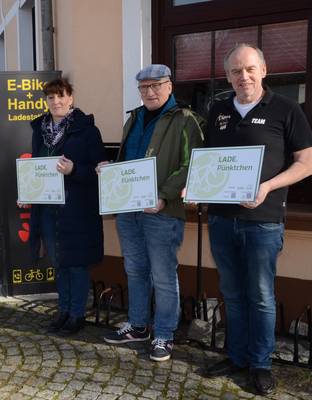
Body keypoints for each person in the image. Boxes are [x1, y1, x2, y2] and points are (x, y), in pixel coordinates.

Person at [204, 44, 312, 395]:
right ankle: (237, 357)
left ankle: (261, 364)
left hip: (263, 221)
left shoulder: (286, 109)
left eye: (249, 69)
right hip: (221, 219)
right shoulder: (218, 110)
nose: (243, 76)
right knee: (232, 293)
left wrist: (267, 187)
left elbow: (306, 163)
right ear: (228, 76)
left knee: (262, 295)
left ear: (264, 70)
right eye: (236, 71)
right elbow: (209, 161)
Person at [101, 64, 203, 361]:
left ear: (170, 86)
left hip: (163, 210)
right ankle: (137, 325)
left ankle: (164, 334)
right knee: (135, 270)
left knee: (162, 275)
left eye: (156, 85)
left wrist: (164, 195)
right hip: (129, 208)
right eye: (144, 87)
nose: (149, 92)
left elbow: (193, 163)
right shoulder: (134, 118)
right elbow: (131, 162)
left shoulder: (185, 119)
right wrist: (111, 171)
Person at [26, 78, 106, 336]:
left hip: (77, 208)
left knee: (77, 263)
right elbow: (36, 169)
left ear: (71, 98)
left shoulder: (87, 131)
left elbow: (99, 172)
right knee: (59, 262)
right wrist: (29, 191)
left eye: (61, 96)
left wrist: (74, 170)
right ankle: (63, 310)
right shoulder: (39, 130)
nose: (56, 102)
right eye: (51, 97)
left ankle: (77, 314)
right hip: (49, 209)